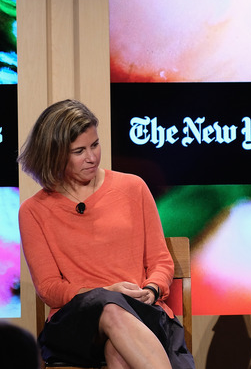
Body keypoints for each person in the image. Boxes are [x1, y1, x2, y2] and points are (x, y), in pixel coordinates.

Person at [17, 99, 194, 369]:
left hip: (140, 313)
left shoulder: (132, 187)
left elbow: (161, 261)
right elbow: (50, 289)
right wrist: (104, 291)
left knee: (119, 351)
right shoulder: (34, 211)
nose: (92, 157)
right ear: (53, 154)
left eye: (95, 145)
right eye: (79, 151)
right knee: (110, 307)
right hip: (76, 326)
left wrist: (152, 288)